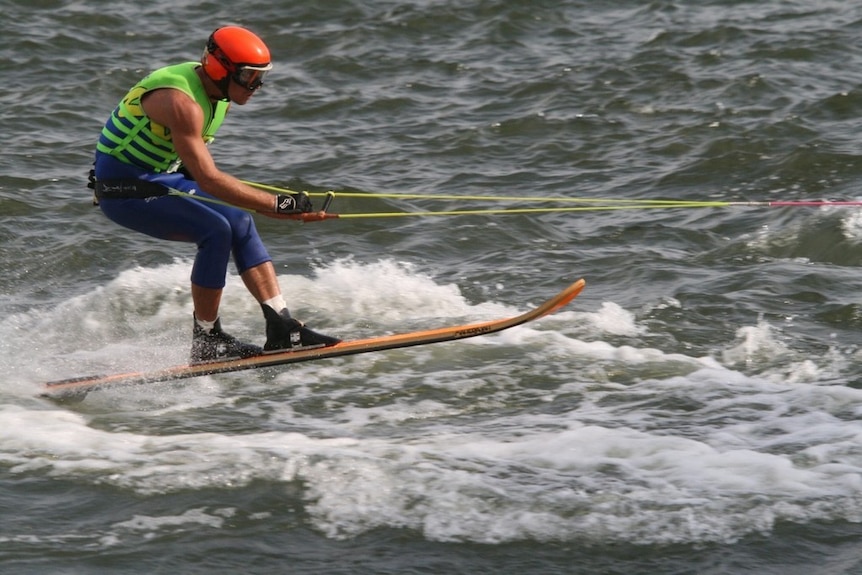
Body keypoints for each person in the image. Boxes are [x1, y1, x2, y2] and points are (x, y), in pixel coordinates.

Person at [91, 25, 340, 364]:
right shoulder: (181, 102)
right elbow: (209, 179)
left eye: (261, 77)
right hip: (124, 191)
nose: (256, 86)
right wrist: (277, 204)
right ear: (221, 70)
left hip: (161, 179)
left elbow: (193, 169)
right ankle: (207, 340)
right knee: (216, 230)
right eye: (249, 77)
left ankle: (282, 328)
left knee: (239, 221)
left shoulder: (219, 98)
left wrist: (269, 206)